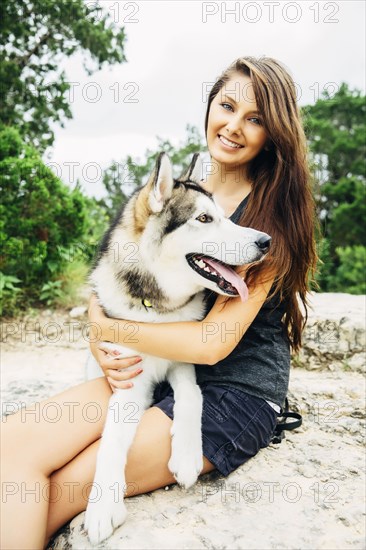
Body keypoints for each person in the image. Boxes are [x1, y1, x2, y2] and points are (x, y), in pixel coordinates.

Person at [1, 56, 317, 550]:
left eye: (254, 119)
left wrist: (113, 332)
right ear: (210, 104)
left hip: (232, 393)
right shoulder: (185, 195)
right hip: (157, 367)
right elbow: (121, 272)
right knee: (11, 451)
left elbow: (213, 344)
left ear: (273, 131)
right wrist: (97, 327)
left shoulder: (270, 218)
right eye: (226, 106)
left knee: (61, 488)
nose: (233, 126)